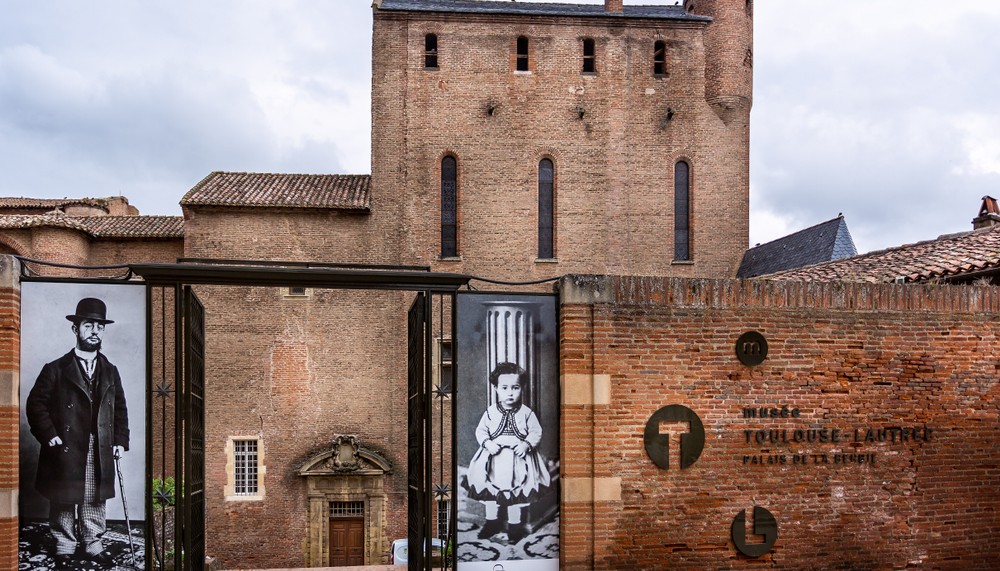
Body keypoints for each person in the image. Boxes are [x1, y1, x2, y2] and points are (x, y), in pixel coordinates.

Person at [26, 297, 129, 568]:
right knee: (64, 497)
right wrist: (50, 435)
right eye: (88, 325)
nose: (95, 331)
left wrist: (119, 440)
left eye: (99, 326)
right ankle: (64, 545)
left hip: (99, 443)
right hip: (66, 445)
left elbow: (120, 408)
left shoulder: (110, 371)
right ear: (76, 329)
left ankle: (93, 544)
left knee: (95, 497)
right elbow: (35, 404)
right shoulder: (56, 369)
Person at [464, 362, 550, 544]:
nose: (510, 393)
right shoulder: (491, 412)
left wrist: (526, 444)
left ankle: (514, 527)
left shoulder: (526, 413)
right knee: (489, 492)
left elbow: (536, 431)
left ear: (522, 388)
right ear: (496, 389)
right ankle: (492, 522)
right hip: (493, 461)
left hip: (518, 461)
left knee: (516, 493)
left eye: (515, 387)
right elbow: (481, 431)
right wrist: (487, 443)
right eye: (504, 388)